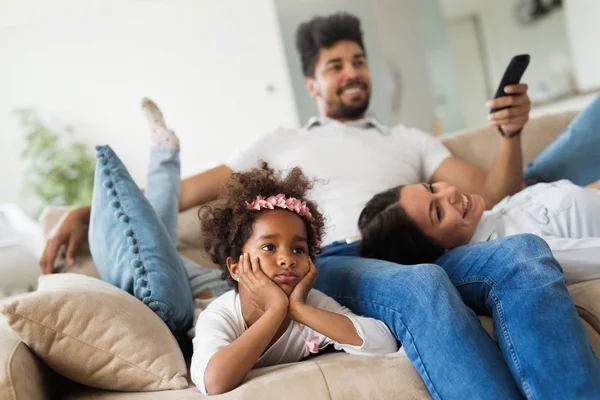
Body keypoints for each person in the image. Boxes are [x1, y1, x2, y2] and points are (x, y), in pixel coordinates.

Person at [39, 12, 600, 399]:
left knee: (524, 252)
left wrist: (509, 135)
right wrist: (87, 211)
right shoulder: (277, 143)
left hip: (425, 244)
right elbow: (171, 195)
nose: (351, 72)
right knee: (419, 287)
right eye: (335, 65)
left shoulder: (409, 139)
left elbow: (493, 193)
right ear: (312, 82)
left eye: (358, 60)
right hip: (337, 257)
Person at [191, 162, 397, 395]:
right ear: (236, 267)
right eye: (269, 247)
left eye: (298, 249)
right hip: (204, 294)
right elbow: (214, 382)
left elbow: (384, 344)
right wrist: (276, 309)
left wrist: (298, 309)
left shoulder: (312, 303)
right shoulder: (220, 315)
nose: (287, 259)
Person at [359, 178, 600, 284]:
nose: (450, 193)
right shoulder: (522, 249)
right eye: (438, 212)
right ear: (440, 249)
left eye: (432, 187)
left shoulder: (497, 214)